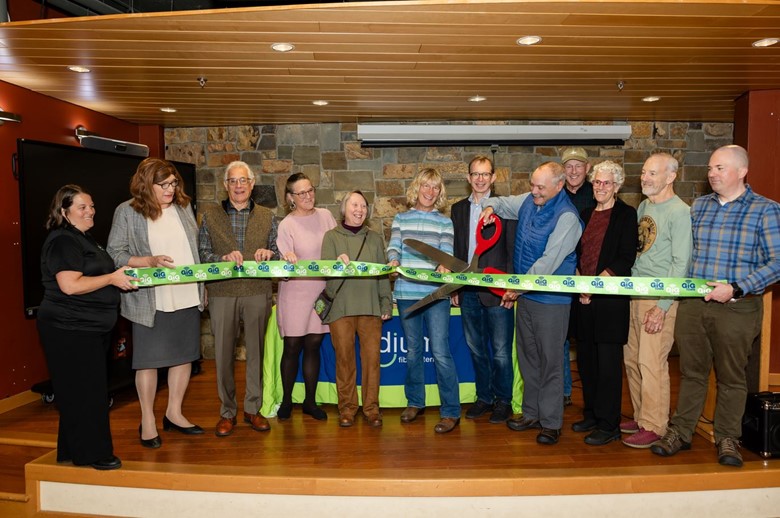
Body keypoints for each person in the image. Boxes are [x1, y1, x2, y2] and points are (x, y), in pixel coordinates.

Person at [651, 145, 780, 467]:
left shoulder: (766, 210)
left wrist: (737, 287)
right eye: (710, 168)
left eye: (719, 168)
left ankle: (727, 437)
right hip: (694, 305)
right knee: (691, 372)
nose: (711, 173)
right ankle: (681, 431)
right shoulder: (699, 207)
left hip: (738, 307)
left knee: (732, 376)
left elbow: (777, 262)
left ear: (741, 171)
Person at [481, 161, 583, 445]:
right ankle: (531, 412)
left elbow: (548, 262)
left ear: (559, 186)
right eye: (532, 185)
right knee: (527, 358)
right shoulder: (529, 201)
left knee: (550, 361)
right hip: (526, 296)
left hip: (551, 300)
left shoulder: (567, 218)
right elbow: (501, 202)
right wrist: (490, 208)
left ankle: (550, 422)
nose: (533, 191)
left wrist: (517, 287)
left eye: (540, 187)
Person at [107, 158, 205, 448]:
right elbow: (115, 253)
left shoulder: (184, 206)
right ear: (146, 184)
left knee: (184, 355)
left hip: (186, 293)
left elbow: (194, 248)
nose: (170, 189)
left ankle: (174, 412)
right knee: (148, 362)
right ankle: (147, 419)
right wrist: (149, 262)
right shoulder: (127, 211)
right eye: (164, 185)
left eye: (173, 183)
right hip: (150, 299)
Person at [37, 185, 135, 470]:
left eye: (91, 206)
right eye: (82, 207)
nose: (90, 211)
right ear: (64, 212)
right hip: (69, 329)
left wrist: (119, 277)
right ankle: (94, 454)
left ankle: (71, 449)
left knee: (76, 391)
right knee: (88, 393)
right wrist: (112, 279)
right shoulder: (63, 241)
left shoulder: (83, 239)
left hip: (88, 327)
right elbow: (70, 285)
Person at [198, 161, 278, 436]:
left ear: (252, 184)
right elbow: (203, 253)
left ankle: (253, 410)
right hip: (222, 292)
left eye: (243, 180)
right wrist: (221, 258)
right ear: (225, 185)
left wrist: (269, 254)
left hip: (257, 291)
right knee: (222, 355)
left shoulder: (268, 216)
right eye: (233, 181)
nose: (239, 186)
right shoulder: (209, 215)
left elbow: (277, 252)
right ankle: (227, 411)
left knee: (256, 352)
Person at [621, 153, 692, 449]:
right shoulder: (645, 206)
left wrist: (662, 307)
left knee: (652, 363)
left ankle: (655, 424)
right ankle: (641, 416)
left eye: (652, 173)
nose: (645, 178)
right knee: (633, 358)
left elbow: (681, 264)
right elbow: (640, 251)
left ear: (671, 176)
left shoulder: (680, 212)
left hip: (659, 298)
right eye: (644, 173)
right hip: (635, 294)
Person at [387, 168, 461, 434]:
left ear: (439, 193)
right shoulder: (401, 218)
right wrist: (393, 260)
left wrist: (445, 265)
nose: (430, 192)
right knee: (413, 352)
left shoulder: (444, 222)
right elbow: (393, 245)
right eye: (426, 186)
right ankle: (415, 402)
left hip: (436, 295)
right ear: (416, 188)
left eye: (435, 188)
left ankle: (451, 411)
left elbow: (447, 251)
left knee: (441, 352)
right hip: (407, 295)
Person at [570, 161, 637, 445]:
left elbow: (624, 259)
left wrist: (594, 287)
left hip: (609, 301)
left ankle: (609, 424)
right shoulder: (585, 214)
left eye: (606, 183)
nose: (600, 187)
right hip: (582, 299)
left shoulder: (626, 215)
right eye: (597, 182)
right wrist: (580, 284)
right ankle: (593, 414)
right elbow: (576, 253)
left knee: (608, 365)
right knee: (586, 360)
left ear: (617, 186)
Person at [450, 155, 516, 424]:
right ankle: (484, 397)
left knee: (500, 351)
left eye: (485, 174)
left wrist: (510, 287)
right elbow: (456, 251)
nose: (480, 179)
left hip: (498, 292)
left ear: (493, 178)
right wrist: (454, 285)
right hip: (467, 290)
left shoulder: (506, 208)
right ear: (468, 178)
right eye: (475, 174)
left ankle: (503, 401)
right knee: (476, 348)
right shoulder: (457, 209)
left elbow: (512, 251)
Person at [320, 191, 392, 428]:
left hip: (371, 308)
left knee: (372, 361)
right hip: (341, 309)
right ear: (344, 208)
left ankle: (372, 409)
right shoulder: (331, 237)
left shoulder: (374, 239)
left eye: (363, 205)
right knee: (344, 360)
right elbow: (326, 276)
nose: (359, 209)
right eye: (354, 204)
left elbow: (382, 274)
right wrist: (336, 266)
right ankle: (347, 408)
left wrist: (385, 303)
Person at [276, 172, 337, 421]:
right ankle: (287, 401)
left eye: (310, 190)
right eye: (301, 193)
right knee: (292, 346)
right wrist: (287, 260)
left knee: (313, 345)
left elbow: (336, 246)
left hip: (320, 292)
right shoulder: (286, 224)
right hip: (295, 293)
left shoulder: (326, 216)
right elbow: (283, 260)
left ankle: (310, 402)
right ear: (291, 198)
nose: (308, 196)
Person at [560, 147, 596, 407]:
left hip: (588, 277)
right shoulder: (554, 194)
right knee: (560, 337)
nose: (573, 171)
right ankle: (564, 392)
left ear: (587, 168)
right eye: (568, 166)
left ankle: (592, 399)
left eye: (578, 166)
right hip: (559, 275)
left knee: (587, 340)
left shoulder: (598, 194)